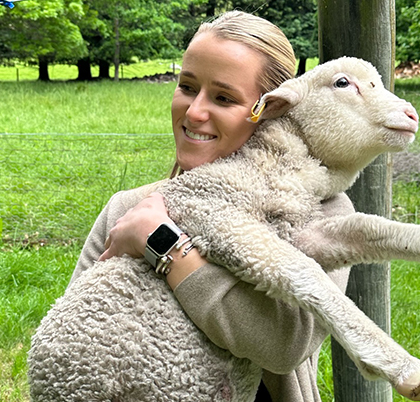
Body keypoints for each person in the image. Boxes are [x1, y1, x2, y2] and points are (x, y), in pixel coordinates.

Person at [68, 10, 353, 402]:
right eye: (187, 87)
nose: (194, 111)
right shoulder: (126, 209)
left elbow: (286, 345)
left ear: (272, 112)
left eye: (223, 97)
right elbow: (74, 337)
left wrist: (162, 244)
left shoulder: (318, 214)